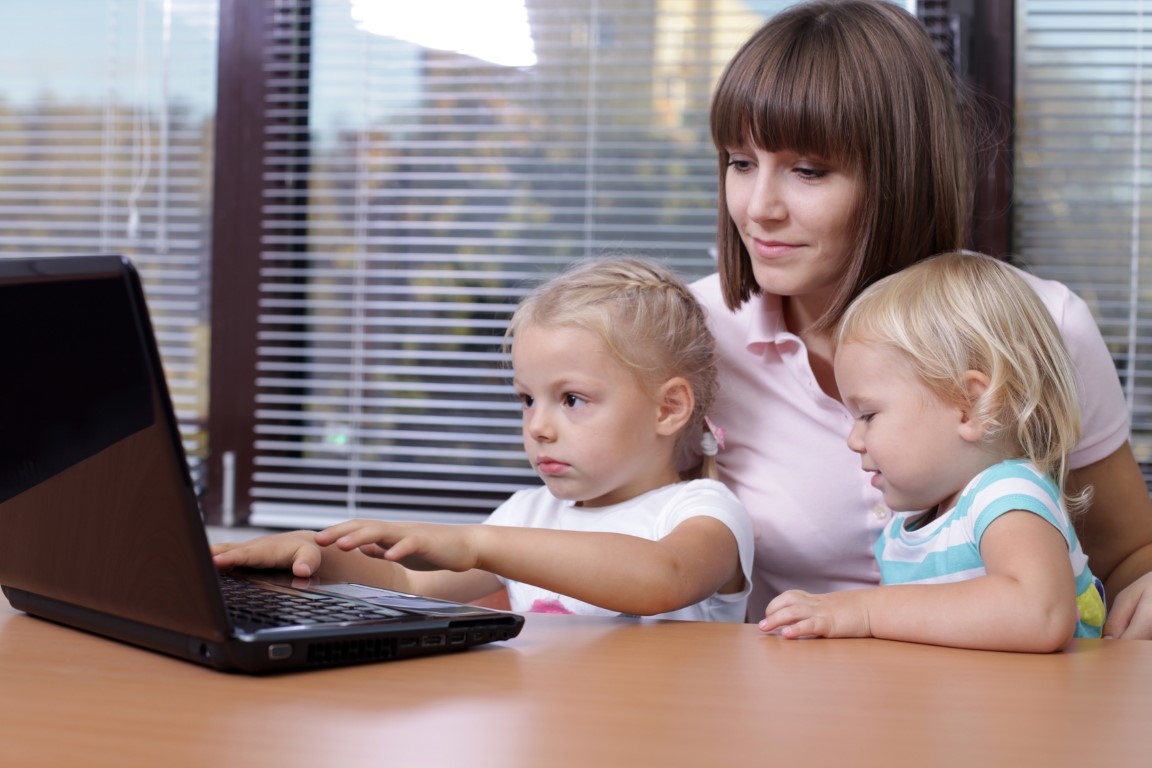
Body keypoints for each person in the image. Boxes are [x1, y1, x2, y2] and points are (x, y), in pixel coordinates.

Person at [692, 0, 1152, 636]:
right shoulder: (696, 336)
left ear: (899, 175)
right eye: (740, 163)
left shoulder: (1042, 325)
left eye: (808, 171)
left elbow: (1129, 557)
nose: (758, 208)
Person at [213, 257, 755, 622]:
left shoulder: (702, 511)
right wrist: (315, 554)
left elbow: (665, 578)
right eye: (527, 399)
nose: (538, 426)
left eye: (572, 399)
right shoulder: (526, 514)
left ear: (668, 408)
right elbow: (409, 583)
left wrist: (480, 544)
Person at [759, 251, 1106, 651]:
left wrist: (866, 611)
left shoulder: (1007, 495)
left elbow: (1039, 613)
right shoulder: (903, 530)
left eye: (868, 415)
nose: (854, 440)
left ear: (970, 405)